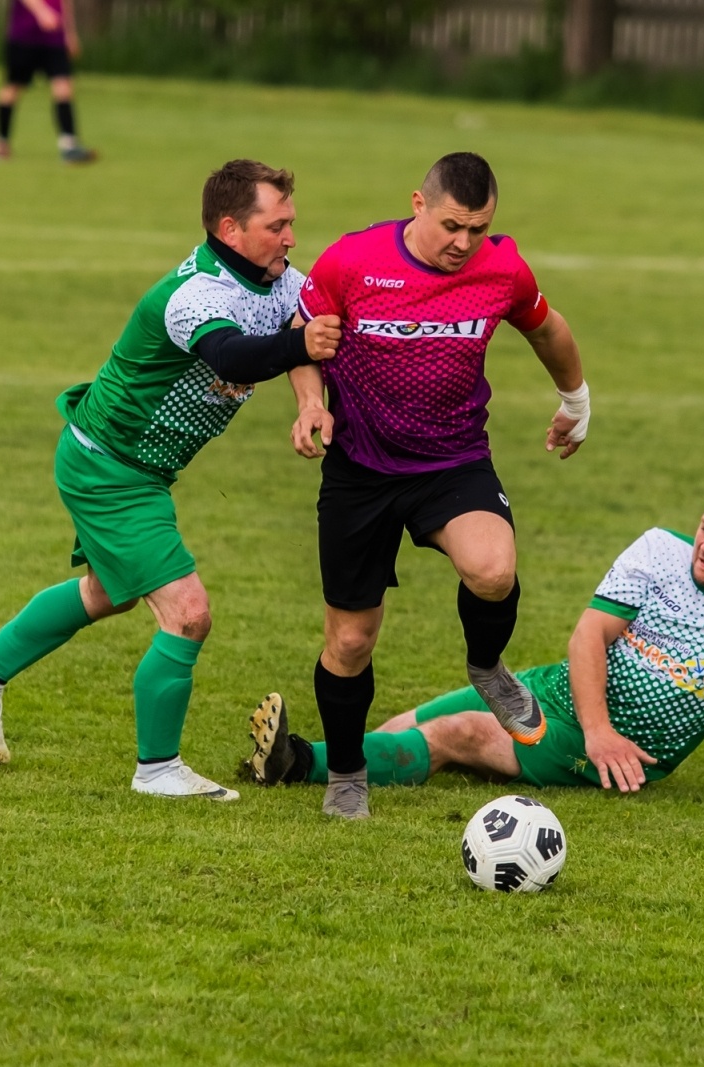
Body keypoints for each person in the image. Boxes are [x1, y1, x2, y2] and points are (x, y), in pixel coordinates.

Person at [0, 159, 342, 802]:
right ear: (231, 228)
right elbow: (234, 356)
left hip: (130, 467)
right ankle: (157, 770)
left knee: (107, 593)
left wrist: (310, 402)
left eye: (293, 222)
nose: (292, 237)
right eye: (278, 224)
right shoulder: (196, 295)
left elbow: (298, 330)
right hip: (110, 470)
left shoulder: (281, 280)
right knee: (188, 614)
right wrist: (304, 348)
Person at [245, 479, 704, 814]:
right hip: (558, 693)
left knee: (454, 732)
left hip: (619, 752)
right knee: (405, 729)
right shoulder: (661, 552)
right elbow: (589, 633)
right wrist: (592, 723)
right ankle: (324, 766)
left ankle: (295, 759)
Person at [283, 151, 592, 819]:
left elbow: (549, 328)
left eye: (477, 229)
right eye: (453, 225)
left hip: (451, 461)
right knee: (351, 638)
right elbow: (303, 338)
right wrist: (311, 403)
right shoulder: (352, 261)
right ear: (418, 205)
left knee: (492, 569)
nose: (463, 243)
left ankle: (487, 665)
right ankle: (345, 774)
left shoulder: (502, 268)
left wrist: (577, 399)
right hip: (360, 470)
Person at [0, 0, 97, 163]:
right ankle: (1, 144)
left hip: (55, 38)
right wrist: (42, 11)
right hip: (24, 36)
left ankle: (69, 146)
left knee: (64, 87)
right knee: (13, 87)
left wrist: (70, 34)